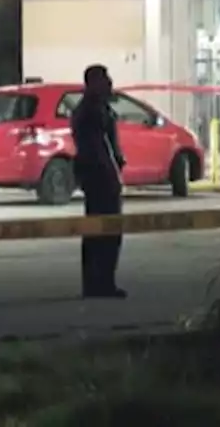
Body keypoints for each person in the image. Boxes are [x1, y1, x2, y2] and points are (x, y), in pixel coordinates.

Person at [70, 64, 127, 299]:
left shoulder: (100, 107)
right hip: (98, 175)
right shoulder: (88, 111)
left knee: (105, 230)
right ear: (92, 83)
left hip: (102, 173)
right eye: (104, 79)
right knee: (101, 230)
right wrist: (109, 173)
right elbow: (95, 147)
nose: (110, 83)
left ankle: (102, 281)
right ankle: (98, 282)